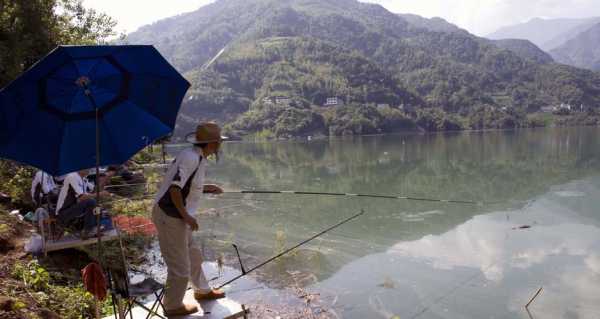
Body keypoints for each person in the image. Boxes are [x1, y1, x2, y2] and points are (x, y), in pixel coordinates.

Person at [152, 122, 227, 316]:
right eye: (219, 142)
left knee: (194, 255)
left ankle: (202, 291)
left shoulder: (197, 156)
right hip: (170, 216)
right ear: (212, 143)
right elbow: (174, 189)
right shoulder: (191, 158)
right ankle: (172, 305)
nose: (220, 145)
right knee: (180, 267)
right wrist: (187, 217)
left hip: (179, 215)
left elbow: (186, 185)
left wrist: (207, 187)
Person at [55, 169, 111, 238]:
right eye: (87, 167)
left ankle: (96, 226)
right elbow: (82, 197)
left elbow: (95, 189)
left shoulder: (83, 179)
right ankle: (88, 231)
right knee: (91, 202)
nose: (89, 169)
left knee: (97, 205)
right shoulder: (72, 177)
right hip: (63, 213)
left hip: (74, 208)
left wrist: (104, 180)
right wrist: (100, 193)